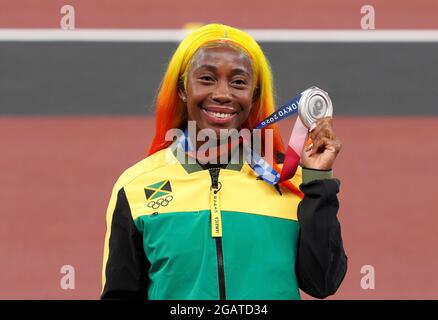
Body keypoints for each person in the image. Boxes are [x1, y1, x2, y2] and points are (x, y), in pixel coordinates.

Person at [100, 23, 347, 300]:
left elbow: (323, 282)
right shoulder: (135, 187)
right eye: (206, 78)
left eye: (239, 82)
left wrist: (318, 180)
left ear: (253, 96)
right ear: (183, 88)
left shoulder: (291, 180)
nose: (222, 94)